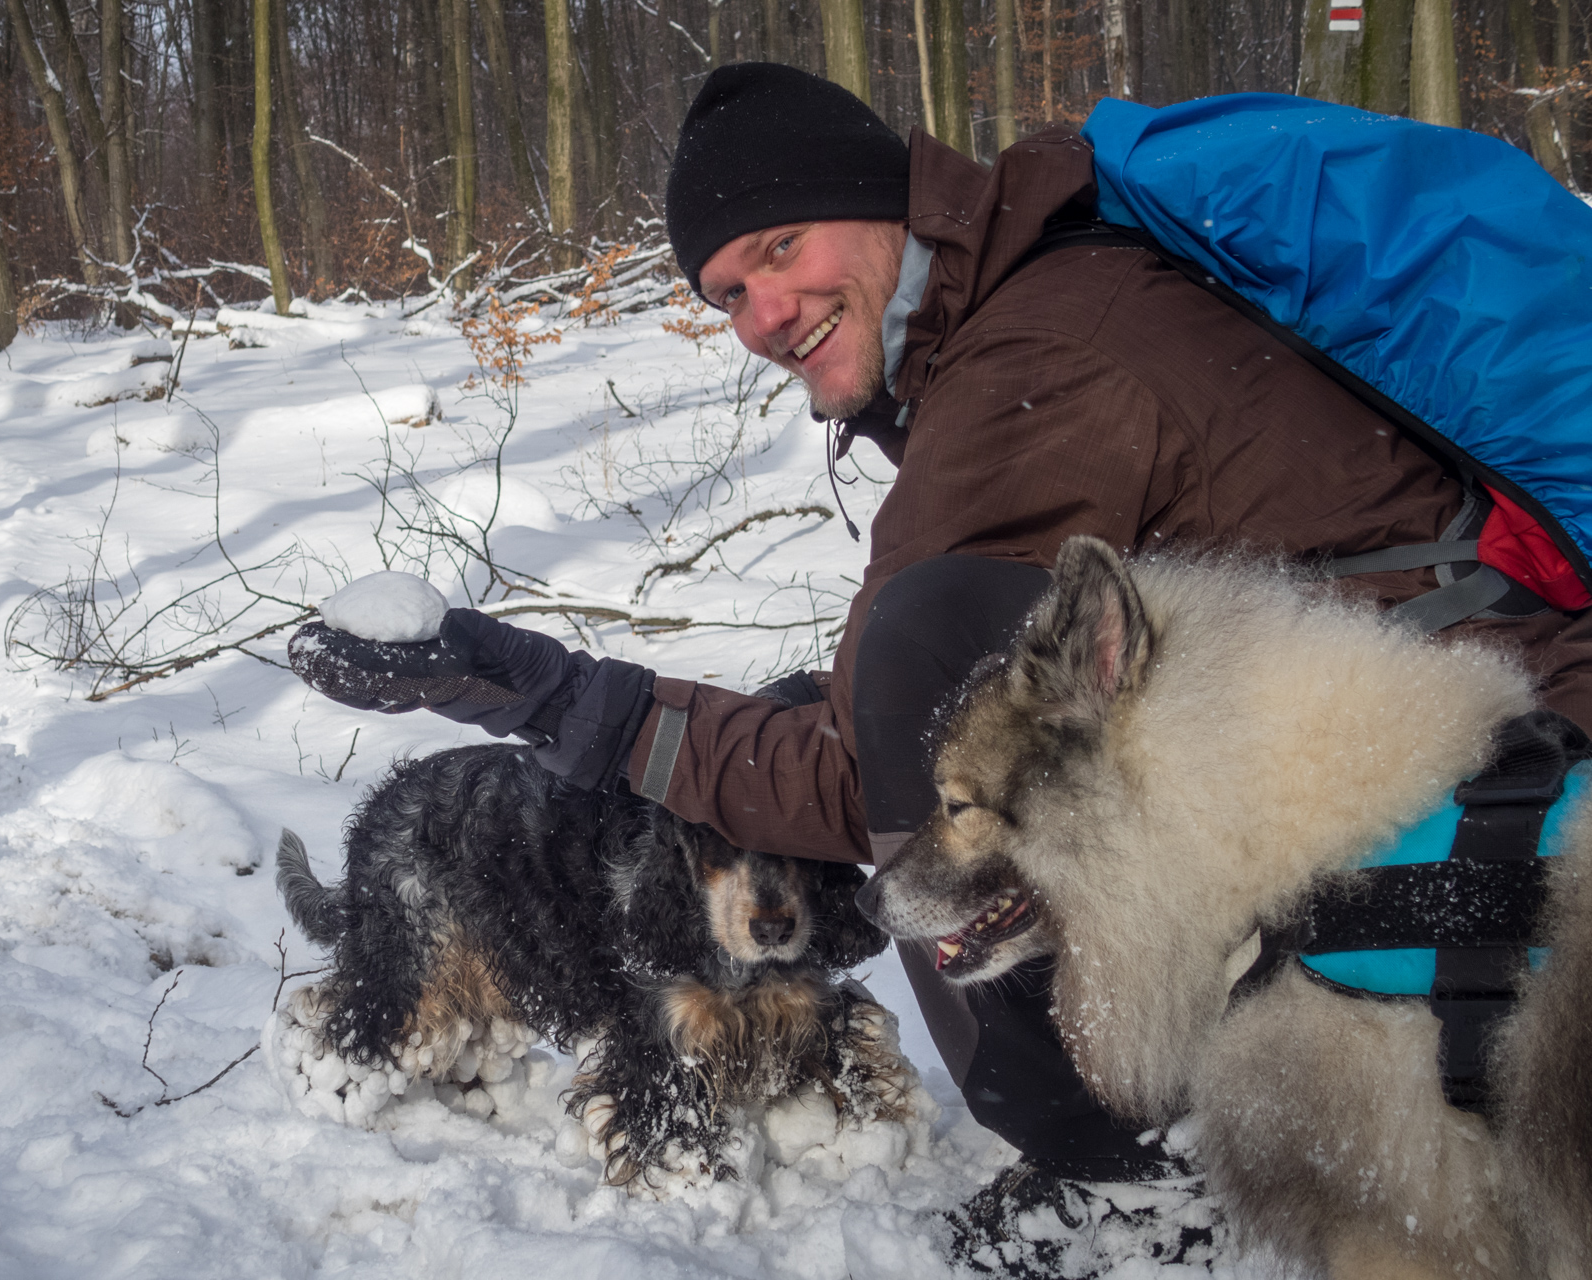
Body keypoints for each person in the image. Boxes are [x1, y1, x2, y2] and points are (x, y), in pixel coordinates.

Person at [292, 64, 1592, 1273]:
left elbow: (860, 776)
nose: (763, 314)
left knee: (927, 664)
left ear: (877, 204)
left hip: (1497, 766)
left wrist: (545, 692)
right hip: (1470, 685)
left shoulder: (1027, 366)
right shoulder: (1050, 280)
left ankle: (1123, 1170)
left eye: (780, 249)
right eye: (727, 294)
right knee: (896, 686)